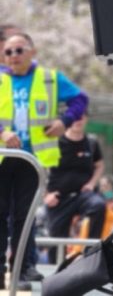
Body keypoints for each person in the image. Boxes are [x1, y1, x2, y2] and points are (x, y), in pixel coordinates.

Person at [0, 33, 88, 288]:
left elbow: (80, 99)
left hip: (33, 159)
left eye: (19, 50)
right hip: (3, 157)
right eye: (8, 52)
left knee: (25, 216)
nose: (13, 56)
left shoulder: (50, 79)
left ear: (32, 51)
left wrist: (65, 121)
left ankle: (25, 266)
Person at [43, 113, 106, 263]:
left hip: (82, 195)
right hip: (59, 198)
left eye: (82, 117)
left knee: (98, 205)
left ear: (86, 119)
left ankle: (90, 255)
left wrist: (92, 183)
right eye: (75, 117)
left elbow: (100, 165)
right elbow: (40, 168)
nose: (78, 120)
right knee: (57, 242)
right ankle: (56, 271)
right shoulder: (55, 141)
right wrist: (45, 195)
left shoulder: (91, 142)